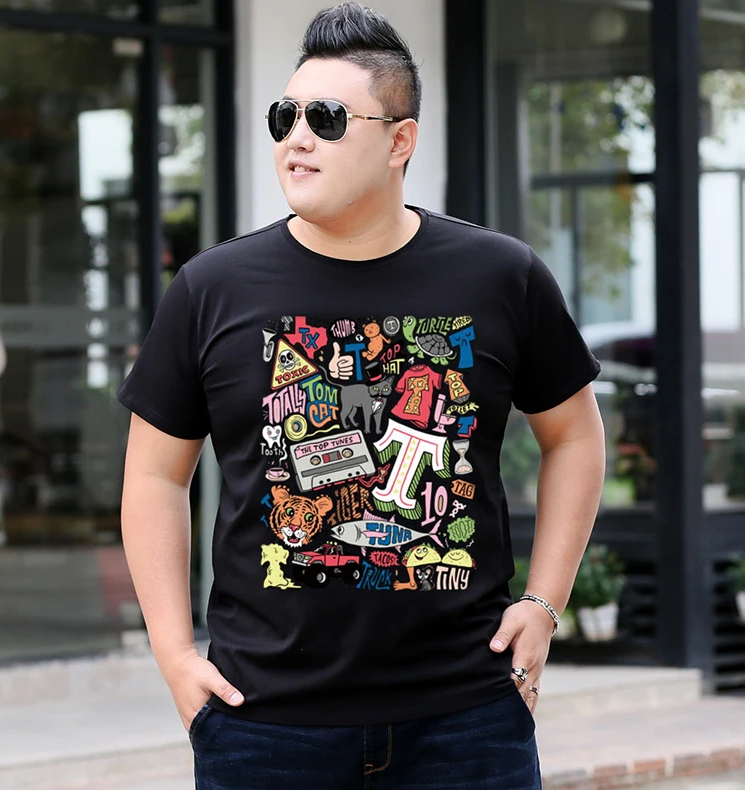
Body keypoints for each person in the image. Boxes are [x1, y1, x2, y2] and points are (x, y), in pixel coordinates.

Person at [117, 3, 606, 788]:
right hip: (264, 724)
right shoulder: (212, 289)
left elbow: (575, 435)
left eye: (327, 119)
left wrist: (545, 605)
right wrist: (174, 656)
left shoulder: (500, 276)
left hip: (466, 720)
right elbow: (152, 475)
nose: (297, 138)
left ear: (400, 141)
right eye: (284, 117)